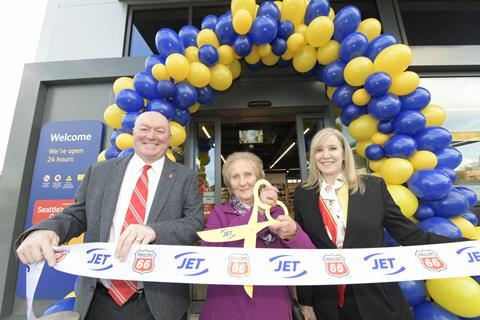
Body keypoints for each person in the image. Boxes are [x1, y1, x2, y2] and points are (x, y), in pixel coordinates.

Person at [16, 111, 204, 320]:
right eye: (144, 129)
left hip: (159, 302)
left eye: (160, 131)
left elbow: (194, 224)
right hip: (99, 299)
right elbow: (76, 215)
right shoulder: (100, 171)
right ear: (133, 133)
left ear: (169, 138)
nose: (152, 136)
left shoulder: (185, 177)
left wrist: (154, 231)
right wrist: (45, 230)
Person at [294, 128, 465, 320]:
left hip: (375, 297)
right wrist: (305, 299)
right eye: (319, 150)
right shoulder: (303, 195)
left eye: (332, 148)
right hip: (326, 301)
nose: (325, 155)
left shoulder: (373, 188)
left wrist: (465, 246)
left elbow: (410, 235)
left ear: (344, 154)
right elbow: (303, 248)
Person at [200, 151, 315, 320]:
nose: (242, 182)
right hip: (226, 307)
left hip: (273, 306)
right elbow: (208, 254)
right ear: (229, 184)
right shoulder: (219, 214)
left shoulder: (278, 212)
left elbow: (310, 259)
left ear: (259, 179)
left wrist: (294, 234)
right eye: (235, 177)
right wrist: (258, 212)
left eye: (248, 175)